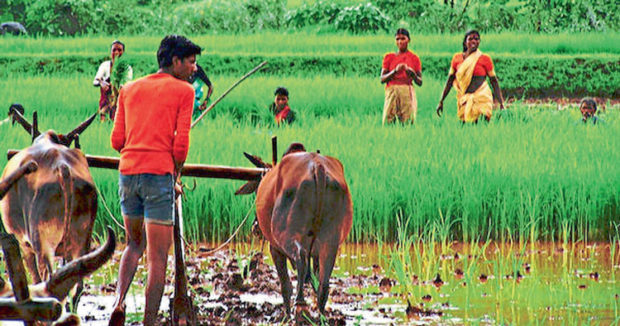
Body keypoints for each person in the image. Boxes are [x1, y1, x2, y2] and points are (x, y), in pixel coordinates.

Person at [109, 35, 200, 326]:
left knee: (133, 245)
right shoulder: (185, 91)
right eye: (191, 61)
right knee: (158, 257)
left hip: (128, 174)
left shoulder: (128, 89)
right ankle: (149, 322)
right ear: (175, 62)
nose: (194, 68)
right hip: (158, 176)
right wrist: (175, 173)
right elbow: (181, 146)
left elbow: (117, 140)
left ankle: (118, 302)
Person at [436, 30, 504, 123]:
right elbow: (450, 80)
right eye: (470, 39)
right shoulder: (457, 59)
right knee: (464, 128)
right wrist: (441, 100)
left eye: (476, 39)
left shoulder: (485, 59)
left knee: (482, 126)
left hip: (482, 99)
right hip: (464, 100)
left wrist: (501, 103)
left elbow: (494, 81)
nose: (473, 41)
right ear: (465, 42)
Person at [380, 28, 422, 125]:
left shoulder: (414, 58)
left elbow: (420, 82)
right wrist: (395, 71)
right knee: (388, 120)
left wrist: (413, 74)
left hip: (407, 90)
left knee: (408, 121)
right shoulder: (389, 57)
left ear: (409, 40)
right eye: (397, 39)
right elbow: (382, 79)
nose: (400, 42)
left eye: (403, 39)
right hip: (392, 91)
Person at [94, 40, 133, 122]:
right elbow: (95, 81)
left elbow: (127, 83)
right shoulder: (105, 65)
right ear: (110, 52)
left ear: (123, 52)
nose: (116, 53)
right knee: (104, 120)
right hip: (105, 101)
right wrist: (102, 83)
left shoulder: (127, 68)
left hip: (119, 100)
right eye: (114, 50)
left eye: (119, 50)